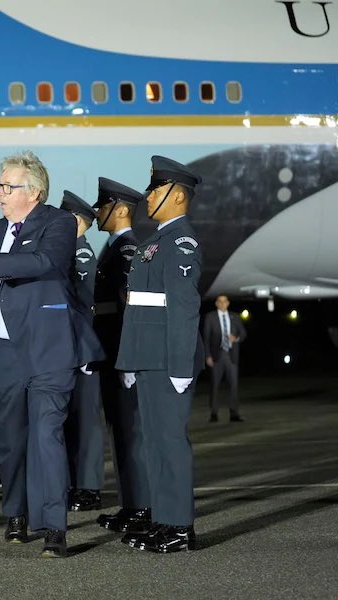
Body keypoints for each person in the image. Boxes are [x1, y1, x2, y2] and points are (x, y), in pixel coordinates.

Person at [0, 151, 103, 558]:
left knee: (47, 436)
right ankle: (15, 512)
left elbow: (44, 262)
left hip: (48, 349)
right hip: (4, 349)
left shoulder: (58, 224)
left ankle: (54, 526)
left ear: (33, 192)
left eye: (6, 186)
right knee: (11, 439)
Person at [117, 155, 204, 554]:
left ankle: (181, 528)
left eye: (155, 189)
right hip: (148, 357)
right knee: (153, 442)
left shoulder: (181, 242)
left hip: (169, 359)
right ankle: (163, 520)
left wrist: (182, 365)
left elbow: (183, 307)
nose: (149, 196)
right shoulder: (155, 241)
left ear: (178, 195)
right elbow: (139, 308)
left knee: (169, 442)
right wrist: (130, 360)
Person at [89, 178, 153, 536]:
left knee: (131, 432)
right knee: (120, 432)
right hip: (110, 350)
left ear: (121, 210)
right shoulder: (114, 248)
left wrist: (129, 357)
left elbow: (132, 310)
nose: (98, 212)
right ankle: (131, 504)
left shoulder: (128, 250)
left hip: (121, 353)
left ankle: (142, 505)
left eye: (104, 206)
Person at [58, 190, 104, 513]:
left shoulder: (82, 255)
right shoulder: (67, 253)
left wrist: (85, 352)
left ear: (77, 222)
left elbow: (85, 307)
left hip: (81, 352)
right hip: (67, 350)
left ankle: (89, 486)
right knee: (71, 421)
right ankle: (75, 481)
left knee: (86, 421)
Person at [202, 294, 247, 422]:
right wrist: (207, 355)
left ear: (228, 303)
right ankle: (214, 413)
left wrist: (236, 338)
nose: (222, 304)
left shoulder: (234, 317)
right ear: (216, 303)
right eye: (219, 301)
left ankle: (234, 413)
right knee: (215, 385)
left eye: (224, 301)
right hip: (216, 355)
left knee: (234, 385)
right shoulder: (210, 317)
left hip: (231, 355)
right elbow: (206, 338)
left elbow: (243, 333)